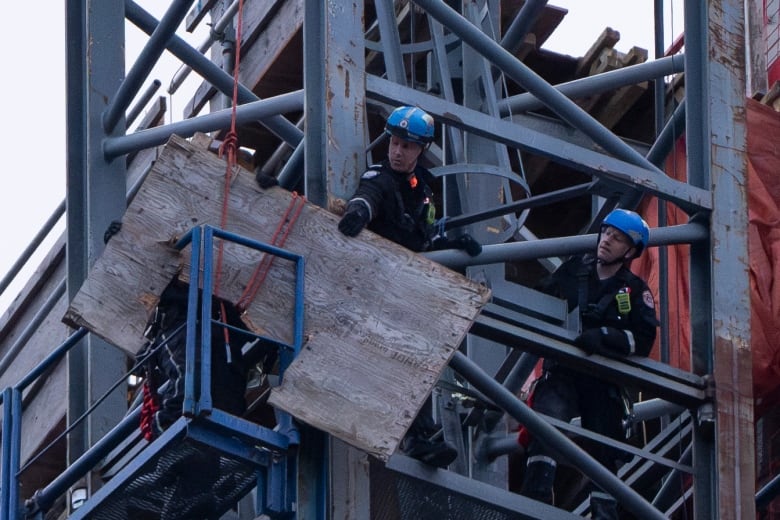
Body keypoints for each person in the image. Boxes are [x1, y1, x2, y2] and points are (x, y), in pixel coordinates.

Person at [338, 105, 481, 468]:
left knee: (414, 360)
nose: (398, 152)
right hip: (375, 288)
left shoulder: (423, 188)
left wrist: (453, 245)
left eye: (407, 146)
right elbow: (367, 195)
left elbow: (425, 234)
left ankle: (423, 435)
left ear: (421, 150)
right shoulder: (382, 177)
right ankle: (420, 435)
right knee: (396, 359)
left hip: (405, 290)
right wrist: (357, 215)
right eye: (395, 143)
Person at [518, 209, 658, 520]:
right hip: (564, 371)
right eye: (606, 232)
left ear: (631, 251)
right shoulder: (574, 271)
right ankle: (535, 499)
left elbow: (643, 340)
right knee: (547, 423)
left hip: (602, 379)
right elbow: (543, 300)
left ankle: (604, 512)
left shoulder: (634, 291)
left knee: (605, 443)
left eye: (617, 238)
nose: (607, 240)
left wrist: (606, 337)